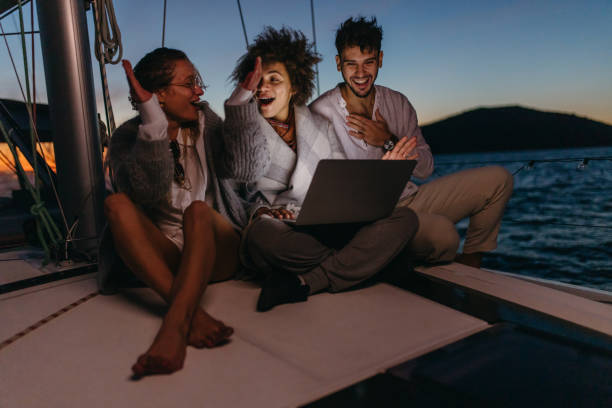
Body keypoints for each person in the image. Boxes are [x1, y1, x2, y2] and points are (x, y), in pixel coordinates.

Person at [223, 27, 419, 312]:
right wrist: (263, 212)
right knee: (263, 239)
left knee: (406, 219)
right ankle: (368, 261)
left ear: (294, 86)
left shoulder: (321, 125)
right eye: (257, 83)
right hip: (283, 229)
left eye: (274, 80)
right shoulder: (241, 130)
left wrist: (374, 185)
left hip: (331, 225)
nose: (263, 89)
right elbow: (237, 186)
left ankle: (308, 281)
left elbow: (341, 182)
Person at [310, 17, 514, 268]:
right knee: (445, 236)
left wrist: (388, 140)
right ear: (339, 63)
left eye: (369, 63)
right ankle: (393, 264)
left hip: (409, 201)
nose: (361, 74)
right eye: (352, 64)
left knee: (498, 180)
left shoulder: (398, 103)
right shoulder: (320, 112)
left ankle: (471, 265)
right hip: (362, 221)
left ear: (380, 60)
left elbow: (425, 169)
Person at [101, 48, 248, 377]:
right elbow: (145, 192)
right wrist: (154, 126)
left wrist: (240, 107)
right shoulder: (127, 138)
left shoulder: (206, 124)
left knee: (196, 211)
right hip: (168, 253)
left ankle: (173, 327)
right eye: (190, 83)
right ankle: (192, 316)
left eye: (198, 83)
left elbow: (243, 168)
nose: (199, 91)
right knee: (116, 204)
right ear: (161, 95)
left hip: (217, 246)